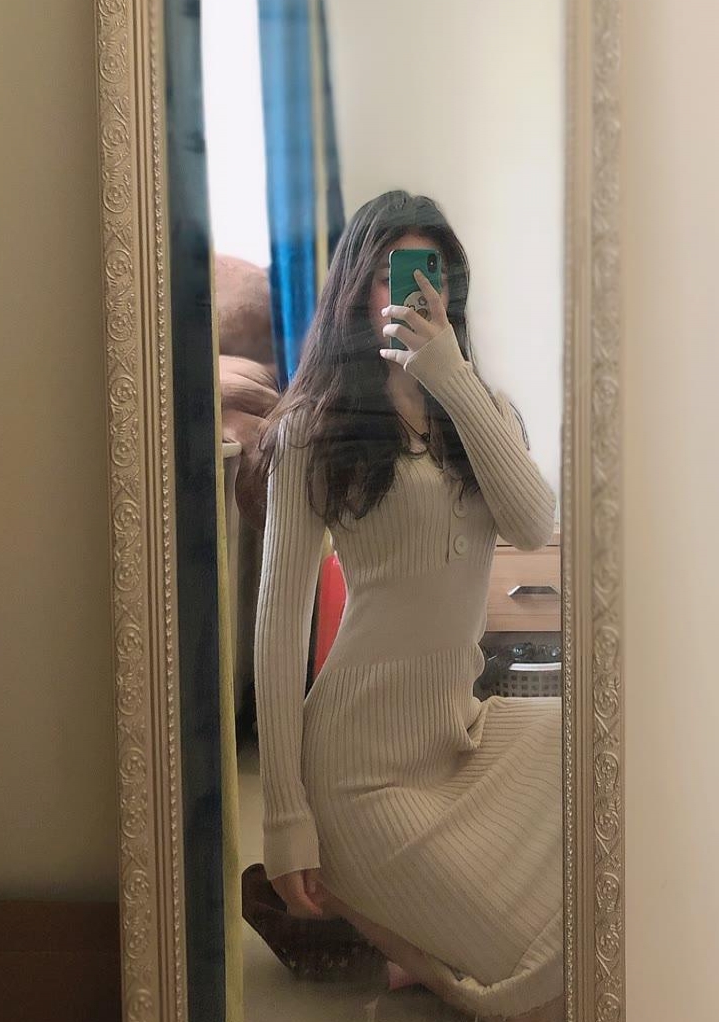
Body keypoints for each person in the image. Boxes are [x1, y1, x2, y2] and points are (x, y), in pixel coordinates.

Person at [252, 190, 563, 1022]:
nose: (414, 294)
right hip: (362, 773)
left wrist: (452, 379)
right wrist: (285, 817)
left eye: (432, 278)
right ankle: (415, 941)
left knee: (598, 762)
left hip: (462, 736)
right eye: (392, 275)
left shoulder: (483, 412)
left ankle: (414, 951)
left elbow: (533, 524)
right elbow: (279, 633)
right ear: (356, 287)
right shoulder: (313, 431)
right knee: (549, 980)